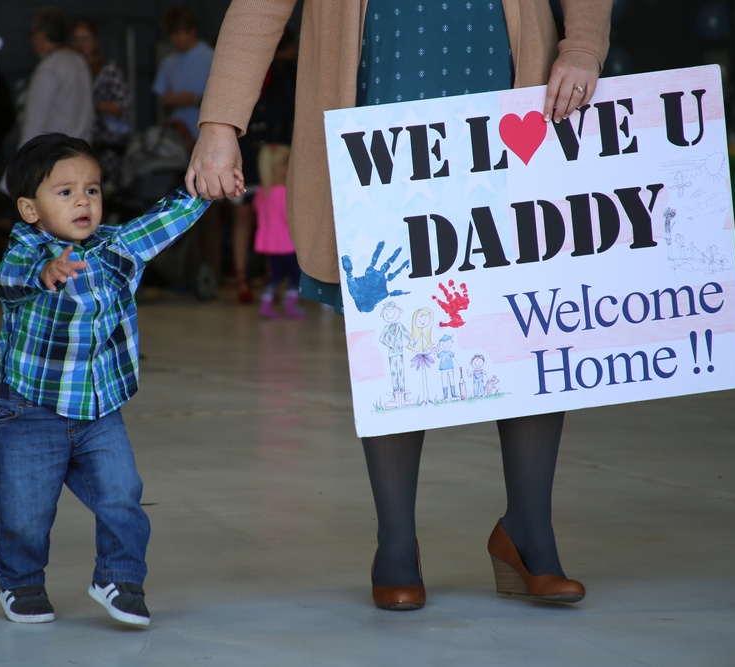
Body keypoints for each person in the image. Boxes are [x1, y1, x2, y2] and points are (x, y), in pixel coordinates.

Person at [187, 0, 611, 611]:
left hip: (516, 90)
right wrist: (220, 125)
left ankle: (530, 532)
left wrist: (582, 44)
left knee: (528, 319)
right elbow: (258, 9)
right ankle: (396, 541)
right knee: (397, 325)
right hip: (381, 98)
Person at [0, 132, 231, 626]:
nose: (83, 200)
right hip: (30, 412)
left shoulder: (115, 248)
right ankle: (21, 581)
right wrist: (47, 271)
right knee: (24, 514)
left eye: (92, 189)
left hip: (100, 412)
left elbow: (161, 223)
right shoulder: (27, 248)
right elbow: (6, 278)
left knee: (122, 495)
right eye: (65, 192)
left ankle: (119, 579)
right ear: (29, 209)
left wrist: (206, 188)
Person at [230, 28, 297, 304]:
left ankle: (275, 278)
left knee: (276, 215)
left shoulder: (288, 74)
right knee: (243, 216)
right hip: (246, 154)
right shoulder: (243, 69)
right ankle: (241, 276)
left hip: (274, 157)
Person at [19, 7, 94, 147]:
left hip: (53, 157)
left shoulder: (49, 68)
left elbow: (34, 124)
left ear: (41, 35)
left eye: (31, 34)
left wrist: (20, 164)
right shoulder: (79, 62)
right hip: (81, 153)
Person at [72, 19, 131, 187]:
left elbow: (124, 104)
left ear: (95, 41)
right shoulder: (72, 70)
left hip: (107, 145)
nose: (80, 44)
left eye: (85, 39)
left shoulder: (107, 70)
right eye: (76, 39)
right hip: (81, 141)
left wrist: (93, 105)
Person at [252, 143, 304, 319]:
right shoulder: (283, 192)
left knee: (275, 276)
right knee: (294, 276)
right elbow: (289, 218)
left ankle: (266, 304)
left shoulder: (262, 191)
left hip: (270, 244)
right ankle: (290, 306)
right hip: (286, 243)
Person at [152, 7, 212, 141]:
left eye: (178, 33)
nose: (174, 39)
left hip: (204, 137)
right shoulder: (168, 63)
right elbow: (164, 110)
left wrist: (194, 99)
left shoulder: (211, 58)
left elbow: (224, 102)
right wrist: (169, 101)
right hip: (176, 139)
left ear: (192, 32)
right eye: (171, 34)